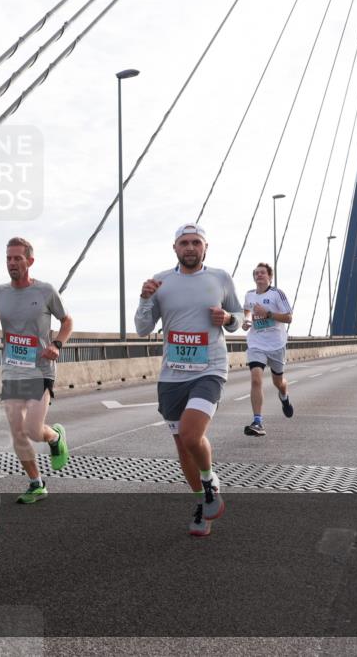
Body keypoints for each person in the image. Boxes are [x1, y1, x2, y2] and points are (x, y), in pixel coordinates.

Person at [135, 223, 244, 537]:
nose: (190, 248)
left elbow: (240, 318)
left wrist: (228, 318)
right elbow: (143, 328)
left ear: (205, 247)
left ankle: (209, 482)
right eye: (184, 243)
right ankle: (202, 503)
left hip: (209, 369)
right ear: (175, 248)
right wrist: (144, 299)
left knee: (191, 435)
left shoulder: (220, 278)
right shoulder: (161, 282)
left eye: (196, 242)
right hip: (172, 375)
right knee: (182, 446)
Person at [0, 237, 73, 504]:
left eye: (17, 258)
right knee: (16, 430)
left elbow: (67, 320)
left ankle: (54, 437)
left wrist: (57, 344)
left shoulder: (45, 291)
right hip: (12, 369)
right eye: (8, 258)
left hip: (40, 368)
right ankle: (36, 483)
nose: (12, 263)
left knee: (33, 430)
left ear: (29, 261)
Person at [240, 263, 294, 437]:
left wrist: (268, 313)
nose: (259, 275)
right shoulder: (249, 295)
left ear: (270, 276)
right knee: (256, 380)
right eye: (256, 273)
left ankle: (284, 396)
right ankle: (258, 422)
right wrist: (246, 320)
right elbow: (247, 310)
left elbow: (289, 317)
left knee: (278, 382)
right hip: (256, 343)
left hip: (276, 344)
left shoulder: (277, 294)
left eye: (262, 273)